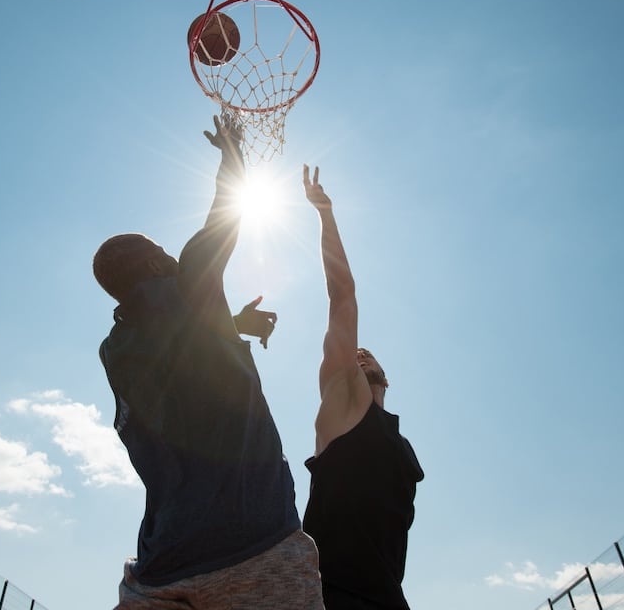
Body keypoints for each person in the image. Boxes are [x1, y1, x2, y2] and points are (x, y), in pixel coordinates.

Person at [92, 115, 323, 610]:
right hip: (257, 545)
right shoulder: (190, 280)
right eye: (160, 251)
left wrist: (229, 324)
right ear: (156, 263)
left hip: (162, 570)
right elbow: (224, 214)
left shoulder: (114, 351)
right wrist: (232, 152)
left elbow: (177, 354)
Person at [300, 165, 425, 610]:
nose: (360, 354)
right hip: (329, 595)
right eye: (355, 354)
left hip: (387, 596)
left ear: (385, 376)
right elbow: (343, 296)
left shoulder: (401, 445)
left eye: (368, 355)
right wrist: (326, 215)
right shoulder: (342, 401)